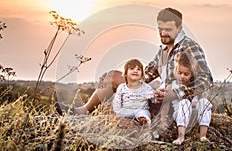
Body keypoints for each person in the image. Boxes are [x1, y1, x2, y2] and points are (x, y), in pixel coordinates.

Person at [55, 7, 213, 142]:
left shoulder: (190, 47)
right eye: (160, 29)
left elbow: (207, 79)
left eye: (168, 29)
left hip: (177, 106)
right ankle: (83, 111)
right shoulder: (164, 50)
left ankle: (136, 122)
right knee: (113, 76)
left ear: (179, 29)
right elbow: (148, 73)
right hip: (159, 98)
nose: (163, 33)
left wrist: (176, 93)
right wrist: (119, 78)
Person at [160, 52, 212, 145]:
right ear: (175, 71)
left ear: (191, 74)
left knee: (205, 102)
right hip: (180, 115)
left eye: (186, 74)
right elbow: (165, 103)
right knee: (184, 102)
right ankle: (181, 137)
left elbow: (201, 98)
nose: (182, 76)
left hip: (195, 115)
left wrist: (197, 103)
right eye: (179, 73)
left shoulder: (195, 85)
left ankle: (203, 135)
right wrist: (163, 120)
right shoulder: (171, 85)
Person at [112, 59, 155, 127]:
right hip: (126, 110)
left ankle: (144, 121)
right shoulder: (121, 87)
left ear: (142, 75)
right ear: (125, 74)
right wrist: (116, 111)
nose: (135, 71)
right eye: (132, 69)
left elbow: (153, 98)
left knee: (144, 113)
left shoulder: (146, 87)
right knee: (120, 113)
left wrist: (157, 96)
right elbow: (117, 101)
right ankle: (124, 120)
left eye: (138, 69)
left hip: (140, 109)